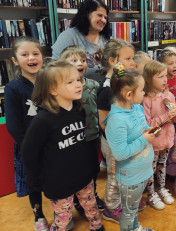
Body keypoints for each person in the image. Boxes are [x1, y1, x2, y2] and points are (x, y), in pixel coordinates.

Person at [21, 61, 105, 231]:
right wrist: (35, 181)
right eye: (70, 82)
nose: (78, 85)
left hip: (83, 176)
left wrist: (91, 168)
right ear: (53, 89)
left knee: (92, 208)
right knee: (63, 219)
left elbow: (82, 143)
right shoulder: (42, 121)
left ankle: (97, 227)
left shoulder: (79, 109)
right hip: (58, 182)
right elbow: (29, 153)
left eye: (78, 80)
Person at [4, 36, 51, 231]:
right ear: (15, 60)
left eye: (35, 53)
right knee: (34, 183)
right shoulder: (13, 88)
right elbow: (14, 125)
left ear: (42, 56)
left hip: (53, 142)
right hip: (29, 146)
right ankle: (38, 216)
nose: (31, 58)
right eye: (24, 54)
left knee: (57, 175)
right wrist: (29, 147)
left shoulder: (50, 81)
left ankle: (63, 209)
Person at [104, 63, 155, 231]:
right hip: (130, 177)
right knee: (128, 211)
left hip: (142, 172)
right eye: (141, 90)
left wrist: (150, 132)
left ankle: (136, 228)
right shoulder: (116, 120)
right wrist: (145, 139)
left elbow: (141, 130)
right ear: (128, 94)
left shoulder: (137, 108)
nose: (144, 93)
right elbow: (120, 153)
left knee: (133, 209)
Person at [94, 39, 139, 223]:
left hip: (125, 139)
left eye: (132, 58)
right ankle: (111, 208)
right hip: (114, 142)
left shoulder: (121, 82)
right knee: (115, 175)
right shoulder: (106, 90)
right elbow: (103, 121)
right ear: (113, 61)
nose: (132, 62)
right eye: (127, 58)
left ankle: (121, 201)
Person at [60, 46, 106, 213]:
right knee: (75, 170)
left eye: (83, 60)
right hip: (72, 139)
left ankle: (91, 196)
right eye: (73, 60)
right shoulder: (62, 89)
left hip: (92, 136)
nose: (80, 63)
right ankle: (74, 200)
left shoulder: (94, 85)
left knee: (93, 168)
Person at [142, 60, 176, 210]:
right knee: (150, 168)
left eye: (165, 76)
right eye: (160, 76)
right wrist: (166, 117)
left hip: (166, 139)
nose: (165, 79)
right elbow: (148, 124)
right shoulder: (146, 99)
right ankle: (151, 193)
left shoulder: (169, 95)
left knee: (162, 165)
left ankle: (162, 188)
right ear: (149, 78)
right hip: (153, 142)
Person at [51, 0, 110, 83]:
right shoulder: (69, 36)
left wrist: (122, 75)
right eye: (100, 15)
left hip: (105, 92)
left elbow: (117, 65)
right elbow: (54, 68)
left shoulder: (106, 40)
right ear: (87, 15)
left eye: (105, 17)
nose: (103, 20)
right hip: (78, 92)